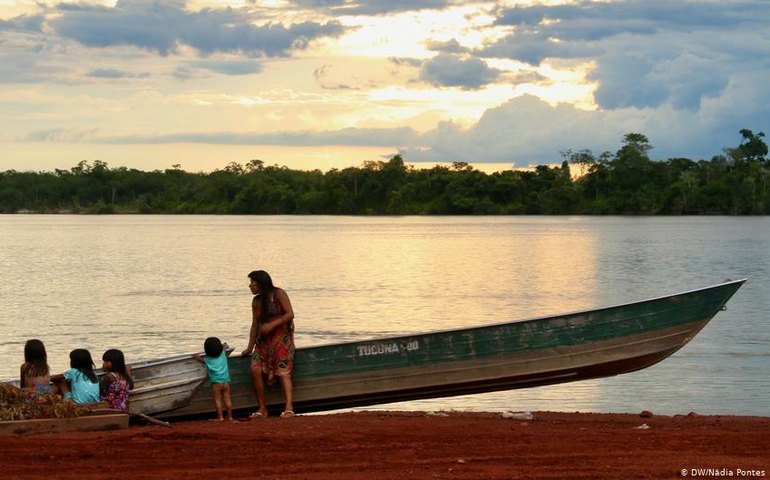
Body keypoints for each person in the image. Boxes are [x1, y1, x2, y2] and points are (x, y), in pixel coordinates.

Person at [241, 270, 295, 418]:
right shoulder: (256, 302)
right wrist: (250, 347)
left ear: (261, 283)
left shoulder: (278, 294)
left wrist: (272, 325)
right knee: (255, 369)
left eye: (252, 282)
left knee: (284, 372)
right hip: (263, 344)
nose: (250, 285)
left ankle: (289, 408)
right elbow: (254, 325)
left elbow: (290, 314)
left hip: (281, 340)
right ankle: (262, 408)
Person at [193, 337, 233, 421]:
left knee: (217, 400)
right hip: (226, 382)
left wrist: (196, 356)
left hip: (216, 383)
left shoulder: (208, 359)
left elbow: (201, 360)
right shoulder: (223, 354)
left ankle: (220, 417)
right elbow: (225, 346)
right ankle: (230, 417)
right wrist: (222, 345)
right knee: (227, 399)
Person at [100, 349, 134, 413]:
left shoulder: (109, 377)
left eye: (105, 361)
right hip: (124, 410)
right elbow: (131, 386)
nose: (104, 364)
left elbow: (100, 391)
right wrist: (128, 372)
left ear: (111, 363)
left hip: (110, 410)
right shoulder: (124, 375)